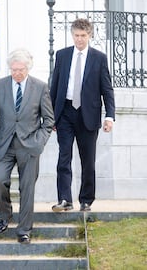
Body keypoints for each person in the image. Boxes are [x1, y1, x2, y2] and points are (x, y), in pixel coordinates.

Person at [0, 48, 54, 244]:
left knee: (27, 189)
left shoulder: (40, 87)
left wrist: (39, 141)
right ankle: (5, 215)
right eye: (13, 69)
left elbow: (48, 120)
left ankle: (24, 229)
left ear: (28, 68)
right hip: (4, 145)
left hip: (29, 145)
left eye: (20, 69)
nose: (17, 73)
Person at [50, 18, 115, 212]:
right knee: (64, 157)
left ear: (90, 36)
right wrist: (52, 115)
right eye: (76, 35)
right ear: (72, 35)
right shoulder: (62, 55)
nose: (79, 39)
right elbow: (54, 86)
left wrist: (109, 115)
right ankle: (64, 200)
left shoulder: (99, 58)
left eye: (83, 36)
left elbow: (107, 89)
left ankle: (86, 200)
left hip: (89, 114)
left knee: (88, 160)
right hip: (65, 113)